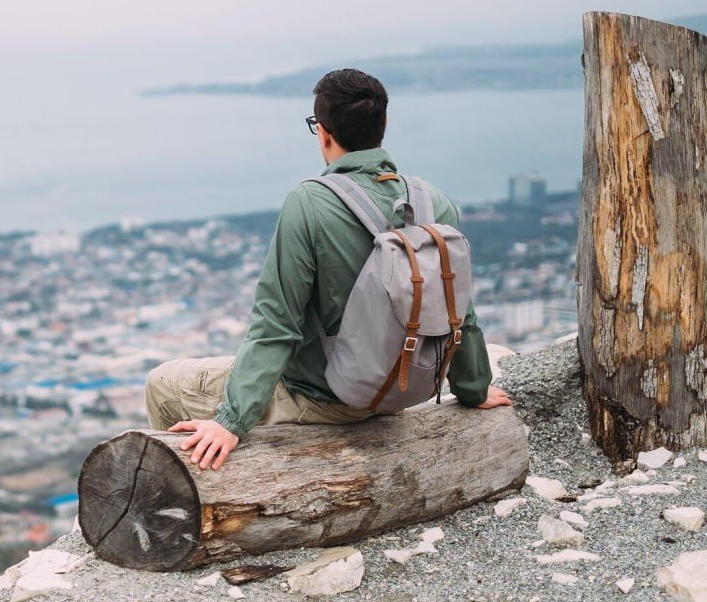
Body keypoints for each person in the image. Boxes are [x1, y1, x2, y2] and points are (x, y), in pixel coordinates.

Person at [144, 68, 513, 471]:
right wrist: (473, 388)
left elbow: (276, 327)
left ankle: (198, 501)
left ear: (323, 132)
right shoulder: (434, 202)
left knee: (163, 383)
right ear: (383, 125)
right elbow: (460, 311)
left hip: (329, 397)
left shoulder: (310, 203)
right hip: (407, 384)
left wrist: (231, 420)